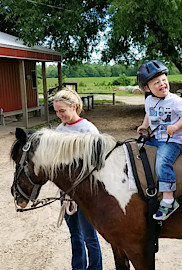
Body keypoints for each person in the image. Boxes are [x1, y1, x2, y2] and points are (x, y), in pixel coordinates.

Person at [53, 89, 102, 270]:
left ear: (74, 107)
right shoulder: (59, 130)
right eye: (57, 111)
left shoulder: (88, 129)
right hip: (66, 191)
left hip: (84, 190)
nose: (59, 115)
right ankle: (78, 267)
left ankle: (95, 268)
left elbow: (97, 160)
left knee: (89, 235)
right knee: (75, 234)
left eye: (62, 111)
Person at [136, 60, 182, 221]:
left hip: (173, 140)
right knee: (138, 150)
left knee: (162, 161)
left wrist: (176, 126)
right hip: (155, 137)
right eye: (156, 83)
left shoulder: (174, 100)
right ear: (147, 88)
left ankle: (169, 200)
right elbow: (149, 113)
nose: (162, 84)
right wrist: (144, 125)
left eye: (164, 80)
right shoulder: (149, 100)